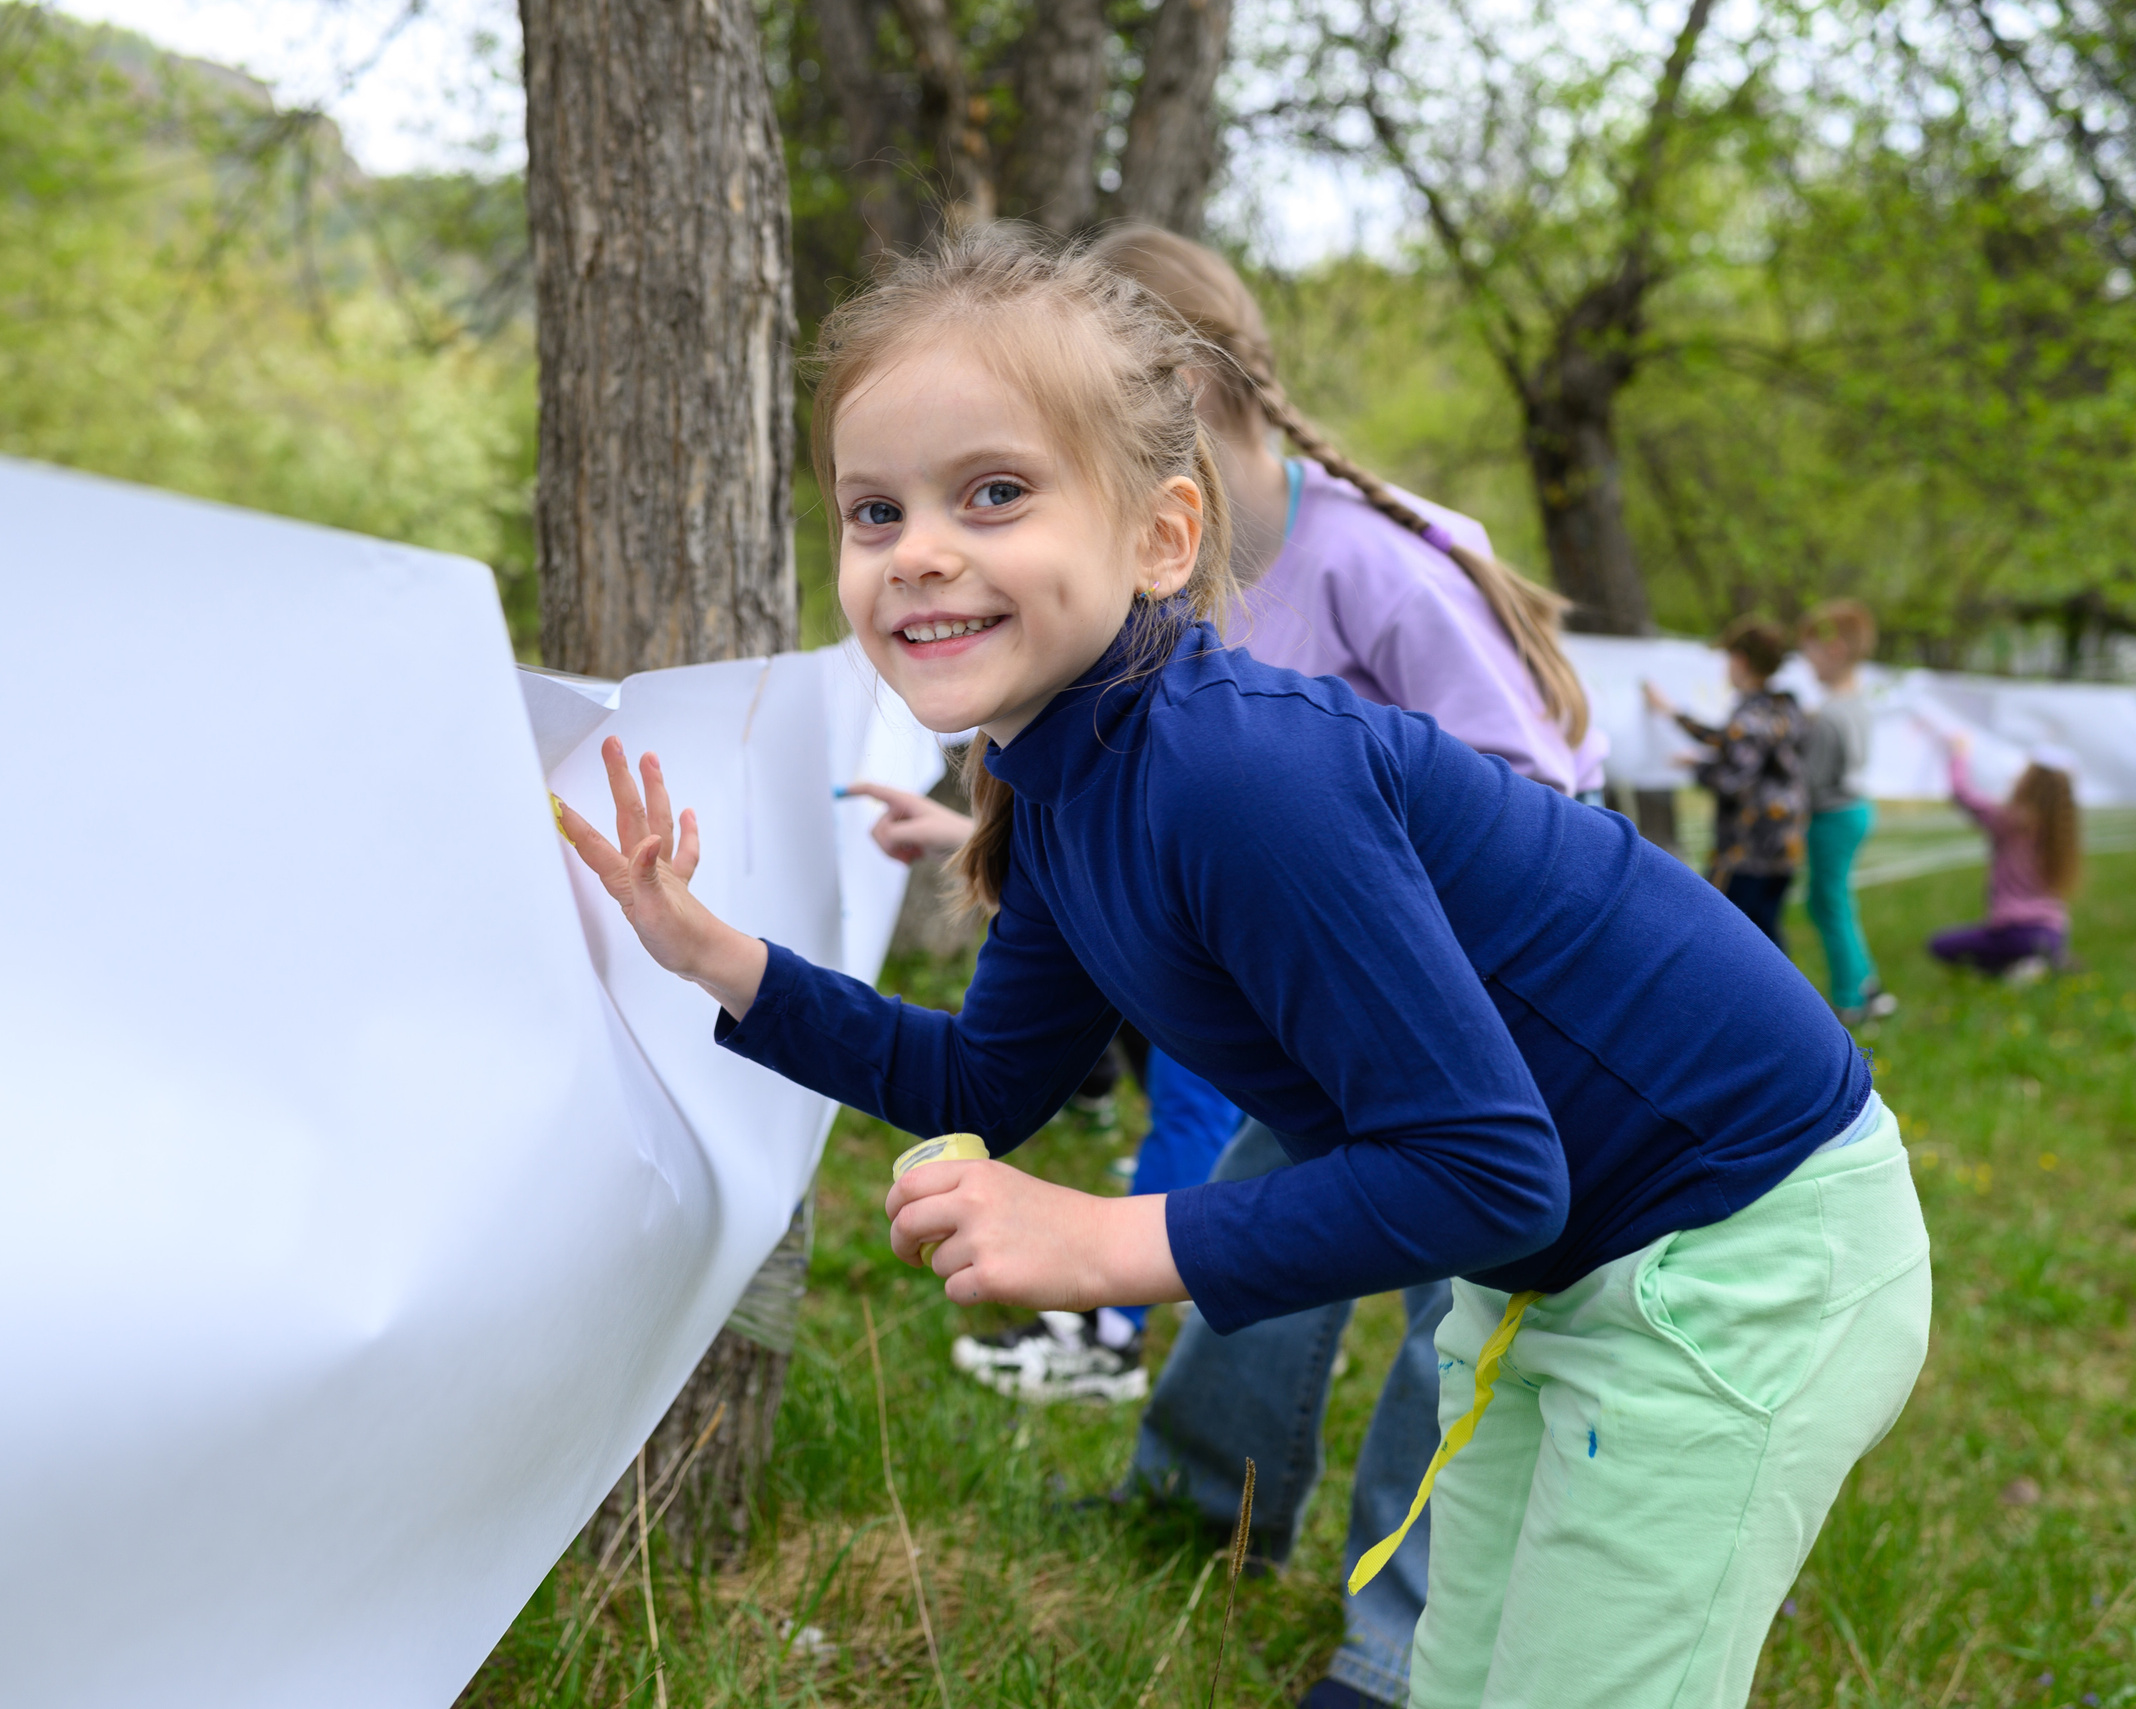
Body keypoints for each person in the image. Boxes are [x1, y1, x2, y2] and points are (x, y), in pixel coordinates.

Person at [557, 224, 1929, 1709]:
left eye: (995, 492)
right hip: (1566, 1266)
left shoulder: (1235, 775)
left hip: (1738, 1252)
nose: (921, 551)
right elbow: (983, 1079)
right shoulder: (1060, 785)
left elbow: (1487, 1170)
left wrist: (1105, 1244)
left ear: (1161, 535)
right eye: (873, 510)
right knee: (1460, 1679)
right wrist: (714, 954)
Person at [1645, 618, 1809, 948]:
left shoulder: (1748, 718)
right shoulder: (1783, 707)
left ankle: (1746, 998)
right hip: (1785, 840)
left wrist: (1699, 770)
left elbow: (1732, 779)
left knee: (1725, 931)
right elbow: (1736, 744)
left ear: (1740, 660)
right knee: (1766, 928)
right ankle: (1784, 997)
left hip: (1746, 846)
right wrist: (1674, 714)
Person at [1798, 602, 1897, 1026]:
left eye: (1812, 654)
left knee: (1827, 903)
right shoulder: (1853, 701)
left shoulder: (1829, 714)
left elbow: (1811, 780)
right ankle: (1865, 984)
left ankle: (1849, 1000)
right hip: (1854, 810)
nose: (1808, 664)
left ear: (1835, 650)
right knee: (1833, 900)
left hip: (1832, 817)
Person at [1930, 737, 2081, 980]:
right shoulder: (2062, 831)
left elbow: (1962, 793)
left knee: (1939, 945)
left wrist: (1960, 753)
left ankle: (2016, 966)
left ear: (2030, 782)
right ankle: (2044, 959)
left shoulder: (2010, 820)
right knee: (2009, 947)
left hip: (2015, 933)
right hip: (2054, 934)